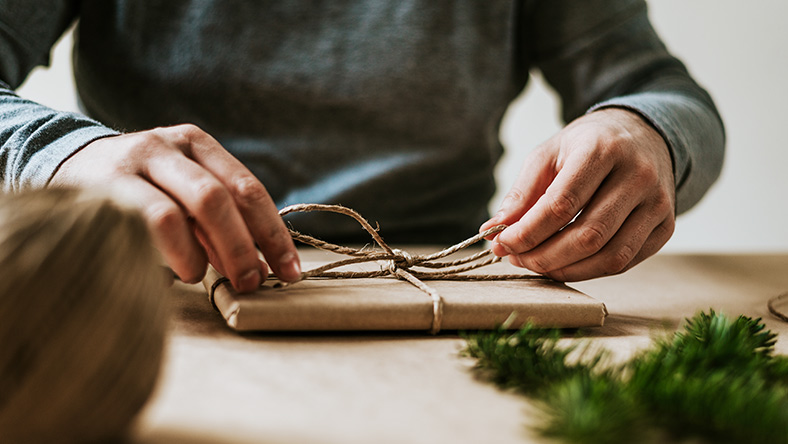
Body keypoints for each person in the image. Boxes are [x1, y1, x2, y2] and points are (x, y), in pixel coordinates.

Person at [0, 1, 724, 292]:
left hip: (452, 300)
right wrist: (62, 155)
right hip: (150, 295)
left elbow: (663, 90)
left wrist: (645, 131)